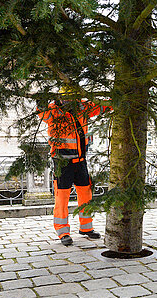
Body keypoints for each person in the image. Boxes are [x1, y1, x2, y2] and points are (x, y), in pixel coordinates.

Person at [38, 88, 111, 246]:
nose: (71, 101)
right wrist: (40, 100)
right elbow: (42, 113)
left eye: (73, 97)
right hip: (62, 161)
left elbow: (101, 107)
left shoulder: (83, 107)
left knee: (86, 193)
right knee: (62, 197)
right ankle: (62, 231)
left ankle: (86, 228)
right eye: (67, 98)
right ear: (61, 98)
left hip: (80, 159)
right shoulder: (54, 110)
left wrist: (114, 102)